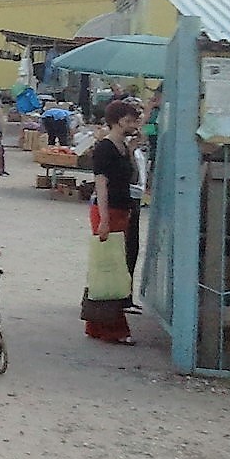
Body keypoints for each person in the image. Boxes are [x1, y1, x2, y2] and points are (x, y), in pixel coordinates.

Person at [84, 99, 146, 345]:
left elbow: (128, 176)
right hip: (107, 210)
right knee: (113, 267)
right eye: (130, 121)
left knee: (109, 265)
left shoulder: (122, 147)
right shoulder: (105, 148)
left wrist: (132, 149)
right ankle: (114, 327)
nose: (133, 125)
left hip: (121, 208)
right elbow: (101, 183)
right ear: (119, 121)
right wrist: (104, 219)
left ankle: (96, 323)